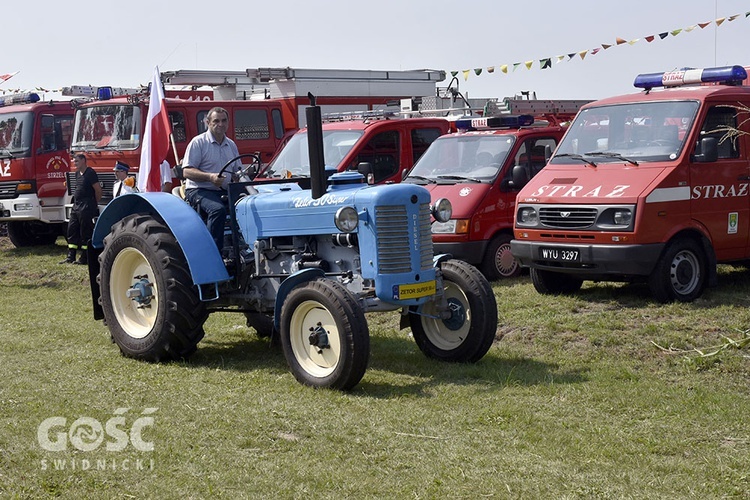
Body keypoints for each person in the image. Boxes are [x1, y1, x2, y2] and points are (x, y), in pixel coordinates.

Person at [182, 107, 240, 252]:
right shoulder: (198, 143)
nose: (220, 124)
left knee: (249, 205)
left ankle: (243, 247)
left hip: (224, 190)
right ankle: (212, 252)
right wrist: (210, 177)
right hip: (199, 190)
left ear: (228, 122)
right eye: (216, 121)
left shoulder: (231, 145)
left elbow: (237, 171)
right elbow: (186, 171)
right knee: (217, 210)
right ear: (208, 122)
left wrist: (239, 176)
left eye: (224, 120)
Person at [60, 153, 102, 264]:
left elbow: (98, 190)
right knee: (72, 230)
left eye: (77, 161)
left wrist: (93, 203)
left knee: (85, 232)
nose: (75, 163)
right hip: (76, 206)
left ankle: (84, 258)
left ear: (83, 160)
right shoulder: (77, 174)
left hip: (87, 206)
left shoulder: (90, 173)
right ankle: (70, 256)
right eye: (74, 161)